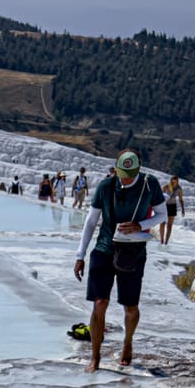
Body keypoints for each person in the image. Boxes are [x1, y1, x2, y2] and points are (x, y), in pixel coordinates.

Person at [73, 149, 164, 371]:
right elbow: (91, 220)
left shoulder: (150, 185)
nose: (125, 178)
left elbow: (161, 215)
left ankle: (127, 342)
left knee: (130, 306)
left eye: (130, 175)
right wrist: (80, 255)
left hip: (132, 252)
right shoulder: (106, 187)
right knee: (99, 302)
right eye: (122, 173)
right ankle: (95, 356)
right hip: (104, 249)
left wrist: (140, 226)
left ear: (138, 171)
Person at [159, 173, 184, 243]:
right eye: (172, 181)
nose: (173, 183)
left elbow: (181, 199)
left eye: (175, 182)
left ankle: (166, 241)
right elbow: (160, 196)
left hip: (172, 206)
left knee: (169, 225)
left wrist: (183, 209)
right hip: (165, 206)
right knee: (162, 223)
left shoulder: (179, 189)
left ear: (177, 181)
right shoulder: (166, 187)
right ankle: (161, 240)